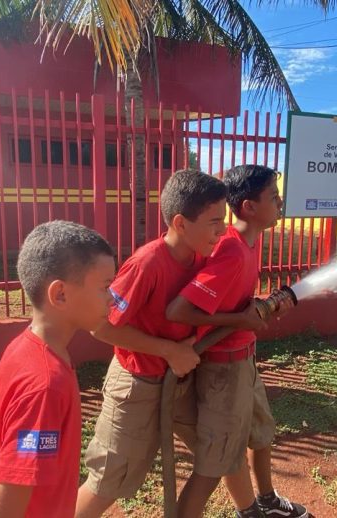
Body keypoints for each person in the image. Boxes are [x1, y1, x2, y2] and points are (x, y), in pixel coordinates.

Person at [76, 169, 246, 517]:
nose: (222, 230)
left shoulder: (201, 256)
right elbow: (99, 326)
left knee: (215, 452)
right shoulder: (147, 263)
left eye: (224, 221)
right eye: (215, 221)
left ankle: (253, 506)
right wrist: (169, 350)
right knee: (109, 479)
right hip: (137, 386)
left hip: (178, 383)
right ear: (181, 223)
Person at [167, 165, 310, 518]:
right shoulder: (230, 250)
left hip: (245, 358)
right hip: (222, 371)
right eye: (273, 198)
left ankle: (266, 501)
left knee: (261, 434)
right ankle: (249, 512)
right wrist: (241, 319)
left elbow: (232, 301)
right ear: (248, 207)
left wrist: (260, 308)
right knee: (220, 459)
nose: (280, 203)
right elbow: (181, 310)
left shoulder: (250, 240)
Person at [0, 221, 116, 518]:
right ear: (60, 294)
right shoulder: (46, 385)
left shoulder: (26, 348)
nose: (112, 298)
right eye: (105, 287)